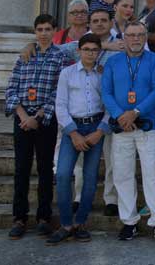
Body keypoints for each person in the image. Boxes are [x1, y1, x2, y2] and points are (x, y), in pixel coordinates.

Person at [101, 20, 155, 244]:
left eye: (140, 35)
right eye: (131, 35)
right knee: (122, 175)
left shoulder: (154, 60)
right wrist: (121, 115)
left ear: (144, 37)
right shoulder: (113, 63)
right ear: (124, 37)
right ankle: (129, 222)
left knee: (152, 174)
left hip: (148, 126)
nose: (136, 39)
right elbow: (106, 92)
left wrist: (136, 112)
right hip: (121, 126)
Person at [5, 14, 66, 239]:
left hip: (45, 120)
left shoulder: (59, 57)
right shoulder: (24, 56)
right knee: (21, 169)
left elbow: (58, 91)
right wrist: (23, 116)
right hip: (22, 119)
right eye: (39, 29)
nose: (43, 33)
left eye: (47, 29)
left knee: (44, 169)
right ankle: (19, 217)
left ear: (54, 31)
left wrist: (38, 117)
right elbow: (12, 87)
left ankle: (43, 216)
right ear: (35, 31)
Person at [48, 33, 111, 245]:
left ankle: (81, 222)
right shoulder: (67, 74)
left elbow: (110, 105)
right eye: (87, 50)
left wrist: (100, 130)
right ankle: (66, 223)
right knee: (64, 174)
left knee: (90, 177)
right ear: (79, 51)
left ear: (99, 52)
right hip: (72, 127)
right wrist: (73, 133)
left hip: (95, 126)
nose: (90, 54)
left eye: (95, 50)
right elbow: (60, 104)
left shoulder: (104, 75)